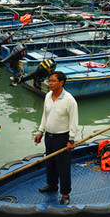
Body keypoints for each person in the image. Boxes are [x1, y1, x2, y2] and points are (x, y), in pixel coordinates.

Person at [34, 71, 78, 205]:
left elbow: (74, 121)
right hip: (49, 136)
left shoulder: (69, 100)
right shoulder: (48, 96)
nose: (50, 83)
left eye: (53, 81)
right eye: (49, 80)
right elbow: (45, 115)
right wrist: (40, 132)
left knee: (63, 166)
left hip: (62, 138)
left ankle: (65, 193)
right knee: (50, 162)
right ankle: (52, 185)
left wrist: (71, 140)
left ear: (61, 82)